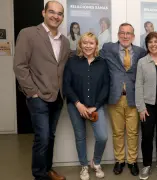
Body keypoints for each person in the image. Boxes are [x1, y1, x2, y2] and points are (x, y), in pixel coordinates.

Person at [13, 1, 70, 180]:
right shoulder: (29, 33)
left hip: (58, 96)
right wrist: (32, 92)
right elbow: (20, 66)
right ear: (43, 13)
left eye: (59, 13)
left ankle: (47, 169)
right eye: (51, 12)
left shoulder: (65, 41)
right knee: (42, 138)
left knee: (50, 137)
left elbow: (63, 66)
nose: (56, 16)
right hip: (38, 97)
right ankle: (40, 175)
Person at [100, 23, 147, 176]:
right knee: (117, 132)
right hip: (115, 97)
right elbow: (94, 58)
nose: (125, 36)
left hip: (134, 98)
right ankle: (119, 161)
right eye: (122, 33)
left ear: (133, 36)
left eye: (128, 33)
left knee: (133, 132)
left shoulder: (141, 52)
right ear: (118, 34)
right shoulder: (108, 48)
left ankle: (132, 161)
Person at [63, 32, 109, 180]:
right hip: (75, 106)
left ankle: (95, 162)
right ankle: (84, 166)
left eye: (91, 43)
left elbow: (106, 86)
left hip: (96, 106)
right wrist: (78, 104)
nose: (88, 46)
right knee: (80, 136)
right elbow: (66, 85)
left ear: (96, 45)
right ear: (80, 45)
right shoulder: (72, 61)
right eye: (85, 43)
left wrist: (95, 106)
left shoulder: (102, 63)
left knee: (102, 137)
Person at [135, 32, 157, 180]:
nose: (153, 44)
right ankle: (147, 165)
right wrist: (141, 108)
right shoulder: (142, 62)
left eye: (156, 42)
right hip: (148, 106)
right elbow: (138, 86)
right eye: (150, 42)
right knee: (147, 136)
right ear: (147, 45)